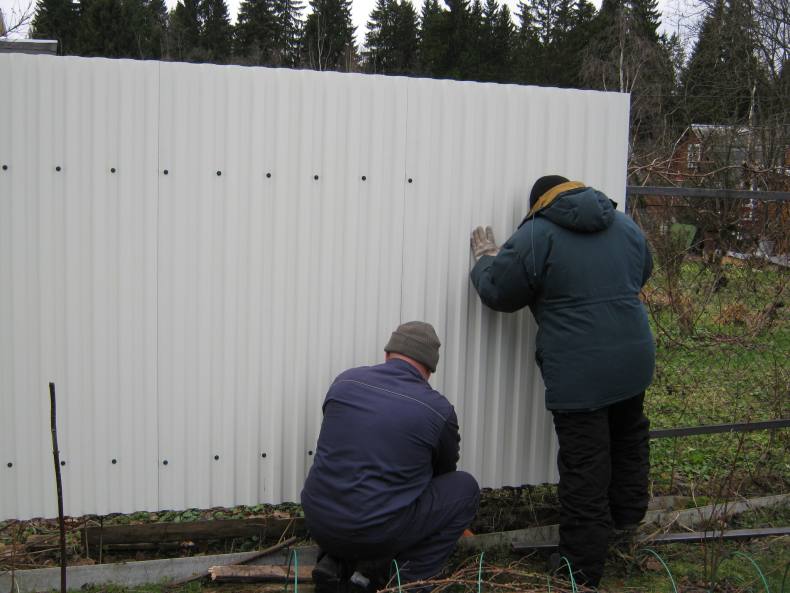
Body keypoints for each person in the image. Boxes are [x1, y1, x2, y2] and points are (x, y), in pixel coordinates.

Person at [469, 175, 654, 588]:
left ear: (540, 203)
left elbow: (499, 292)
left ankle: (581, 568)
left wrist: (485, 259)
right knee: (628, 440)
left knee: (585, 466)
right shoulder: (624, 225)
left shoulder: (537, 235)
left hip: (580, 370)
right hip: (633, 358)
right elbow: (643, 270)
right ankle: (625, 526)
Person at [301, 321, 480, 593]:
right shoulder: (437, 410)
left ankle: (339, 563)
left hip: (319, 522)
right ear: (429, 370)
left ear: (387, 354)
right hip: (375, 533)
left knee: (358, 491)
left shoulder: (344, 381)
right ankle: (406, 582)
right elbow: (444, 472)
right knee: (465, 489)